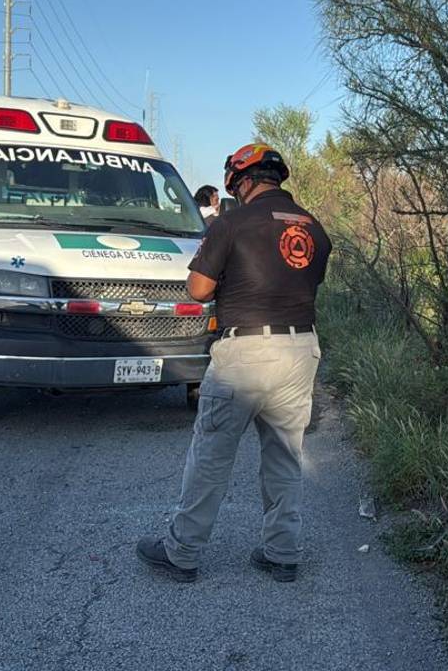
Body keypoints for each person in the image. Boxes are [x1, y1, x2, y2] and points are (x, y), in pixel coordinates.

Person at [137, 143, 332, 583]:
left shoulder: (232, 222)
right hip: (300, 349)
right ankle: (283, 552)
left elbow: (200, 289)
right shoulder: (315, 228)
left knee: (211, 453)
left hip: (245, 352)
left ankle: (182, 551)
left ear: (240, 182)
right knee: (284, 455)